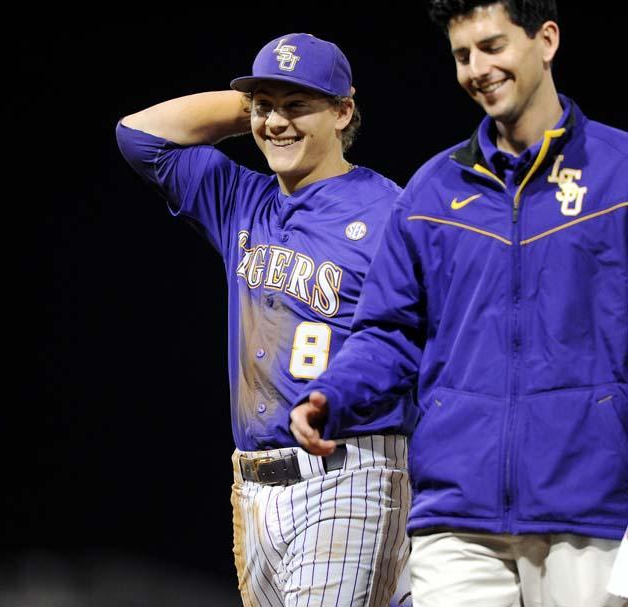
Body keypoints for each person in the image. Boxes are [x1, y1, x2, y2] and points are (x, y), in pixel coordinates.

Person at [293, 2, 628, 606]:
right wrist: (334, 395)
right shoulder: (432, 191)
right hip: (457, 511)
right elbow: (388, 331)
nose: (477, 68)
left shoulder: (618, 175)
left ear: (546, 40)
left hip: (590, 506)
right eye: (462, 55)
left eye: (493, 46)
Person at [116, 33, 417, 607]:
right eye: (264, 106)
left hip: (350, 473)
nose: (277, 122)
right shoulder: (241, 199)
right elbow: (138, 135)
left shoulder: (388, 212)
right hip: (254, 487)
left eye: (297, 104)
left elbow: (420, 342)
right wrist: (257, 108)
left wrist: (278, 104)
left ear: (344, 110)